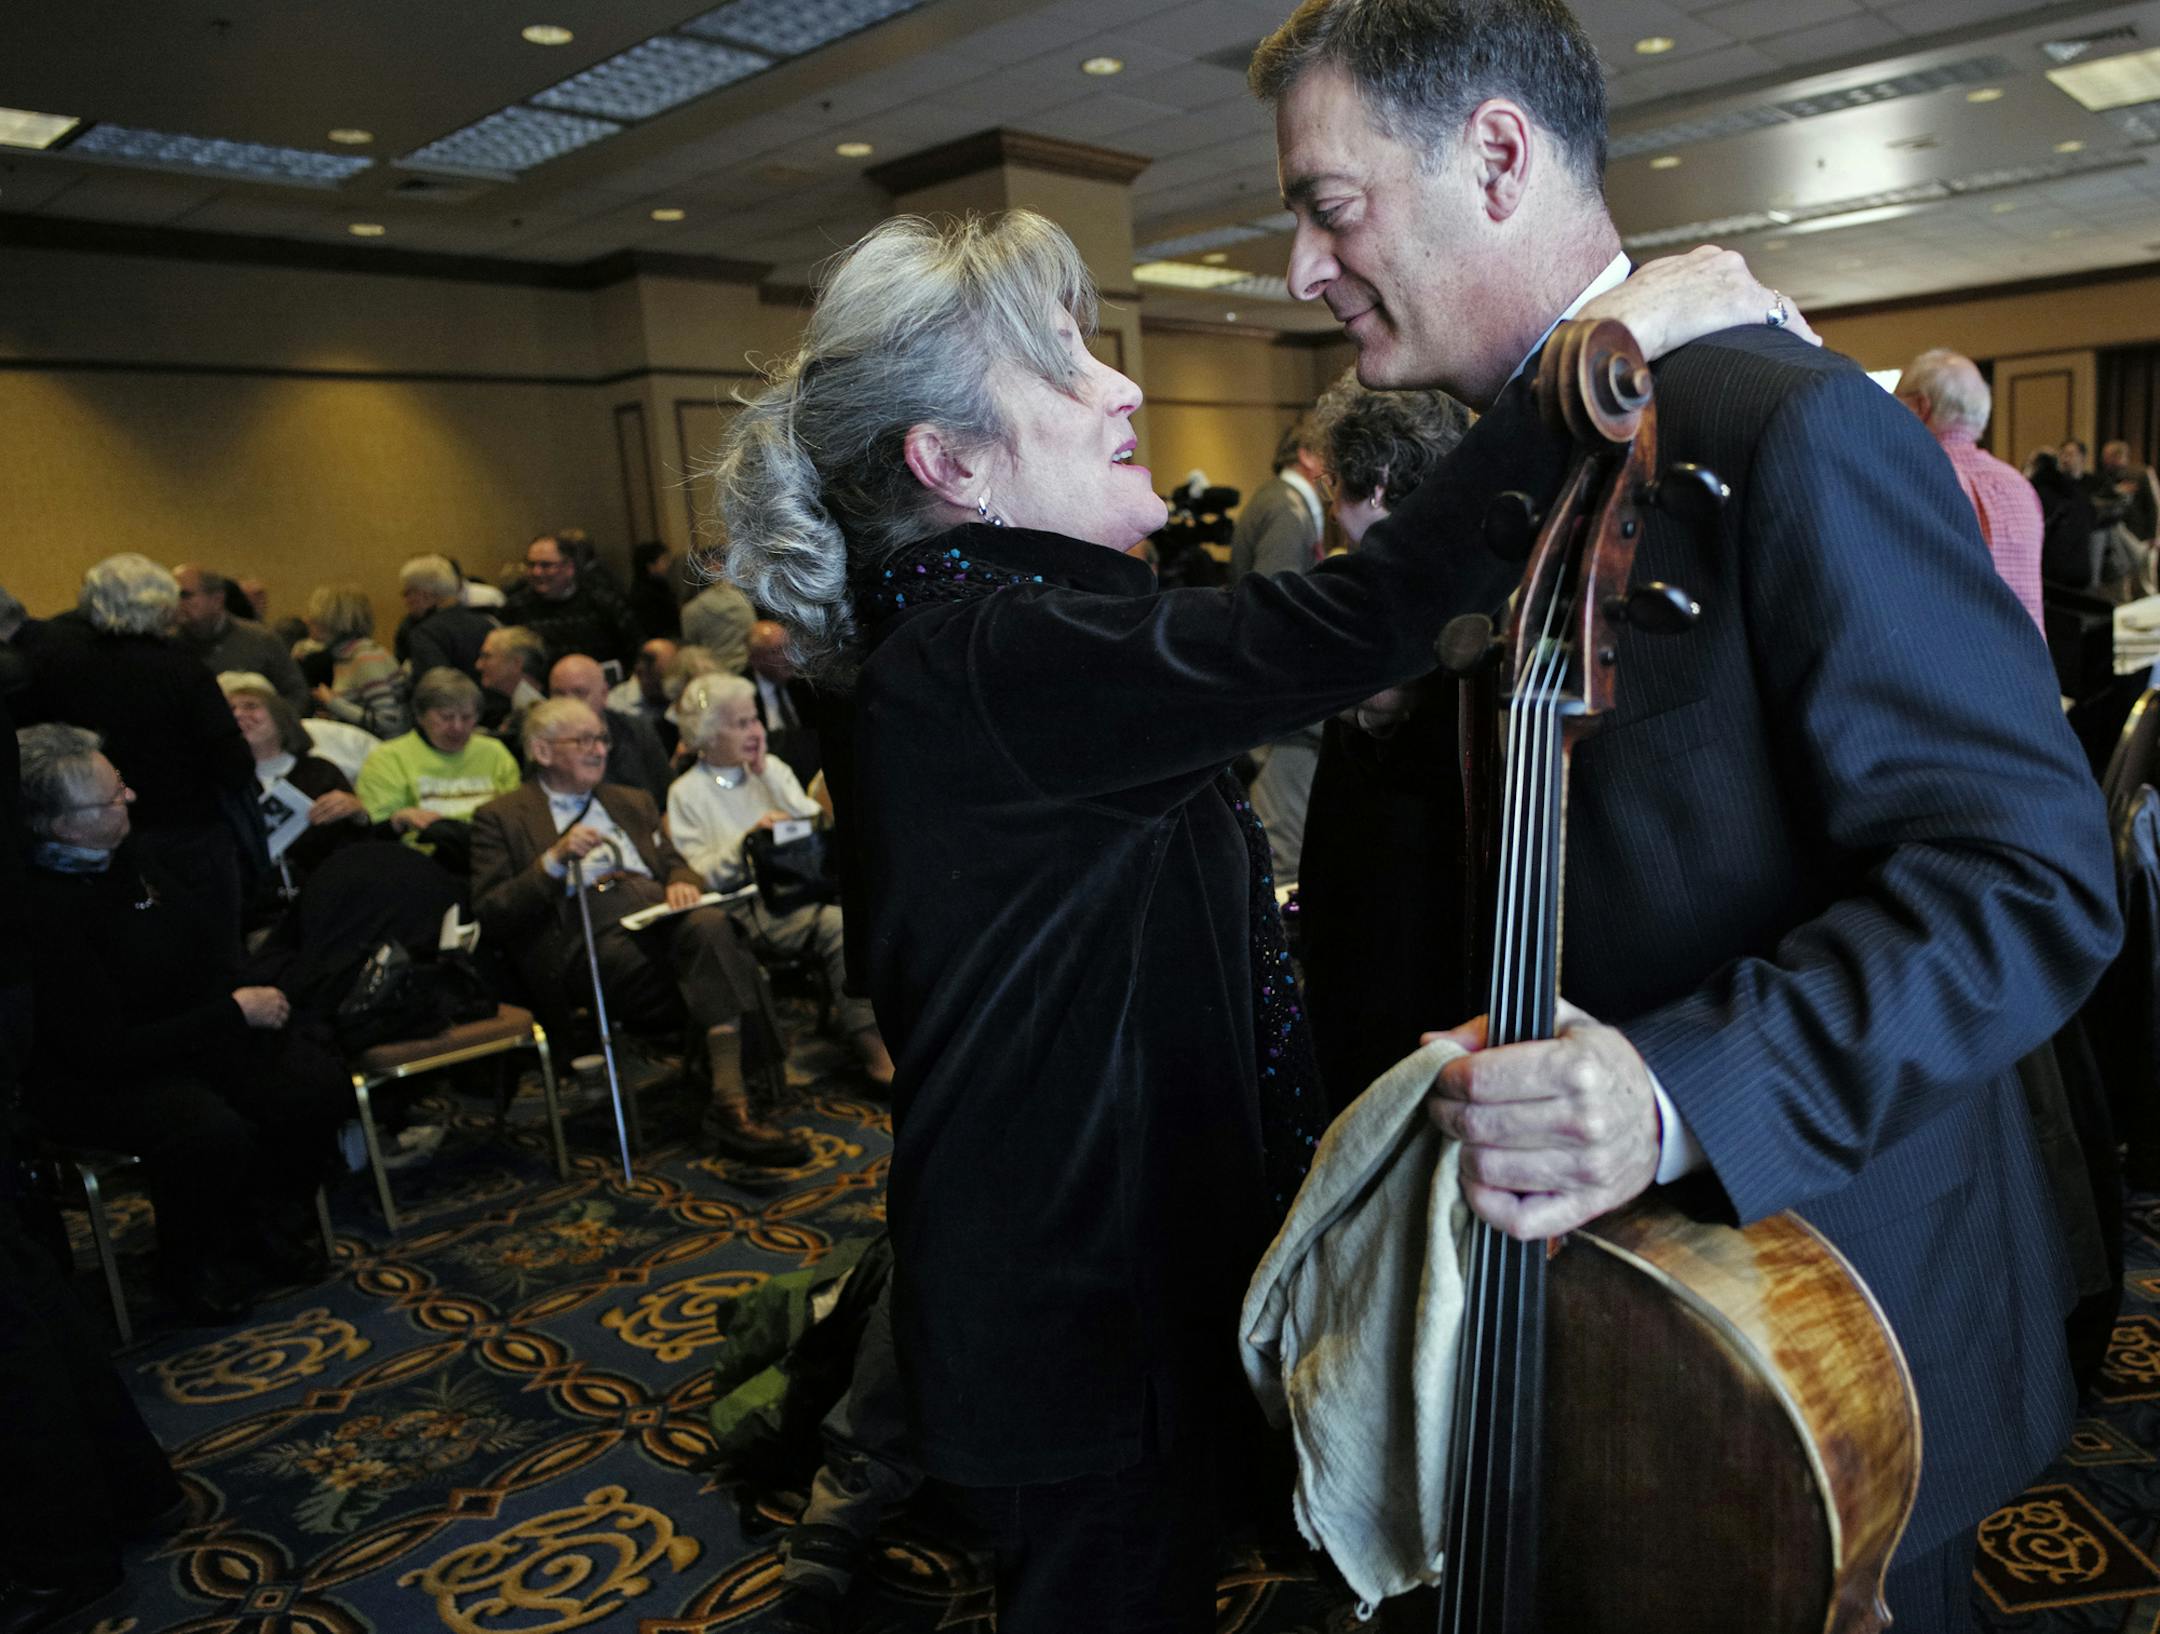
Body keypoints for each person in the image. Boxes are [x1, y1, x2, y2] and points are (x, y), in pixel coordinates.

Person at [708, 206, 1771, 1627]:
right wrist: (1610, 340)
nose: (1125, 387)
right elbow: (1358, 619)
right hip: (1076, 1316)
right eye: (1065, 364)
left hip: (1101, 1291)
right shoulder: (987, 649)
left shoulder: (984, 634)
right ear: (950, 463)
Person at [1254, 3, 2119, 1627]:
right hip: (1596, 1317)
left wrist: (1674, 1089)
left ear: (1496, 156)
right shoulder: (1511, 468)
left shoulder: (1783, 425)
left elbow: (2030, 871)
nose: (1300, 267)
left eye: (1329, 203)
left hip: (1816, 1338)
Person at [17, 723, 349, 1322]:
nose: (132, 798)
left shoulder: (128, 856)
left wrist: (236, 1004)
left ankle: (265, 1224)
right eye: (115, 795)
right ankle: (189, 1265)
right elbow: (101, 1049)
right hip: (96, 1076)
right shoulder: (41, 909)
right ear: (62, 825)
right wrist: (229, 1013)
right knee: (207, 1130)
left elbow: (197, 947)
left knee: (310, 1081)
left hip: (185, 1034)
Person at [469, 698, 805, 1165]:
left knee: (708, 925)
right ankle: (735, 1096)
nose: (599, 750)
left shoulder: (630, 800)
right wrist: (553, 861)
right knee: (727, 952)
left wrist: (683, 885)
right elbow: (492, 912)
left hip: (661, 917)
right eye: (584, 740)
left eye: (602, 738)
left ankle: (730, 1105)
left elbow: (677, 866)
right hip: (586, 937)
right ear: (542, 751)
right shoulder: (502, 816)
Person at [1292, 373, 1477, 1114]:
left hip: (1392, 916)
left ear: (1379, 482)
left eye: (1338, 487)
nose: (1335, 510)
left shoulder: (1376, 592)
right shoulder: (1479, 568)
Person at [14, 553, 257, 953]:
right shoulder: (183, 670)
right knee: (206, 950)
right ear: (162, 607)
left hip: (88, 838)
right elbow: (234, 765)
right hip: (186, 840)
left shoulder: (56, 665)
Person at [668, 672, 893, 1087]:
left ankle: (890, 1039)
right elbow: (699, 873)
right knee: (841, 927)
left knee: (861, 920)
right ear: (708, 733)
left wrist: (768, 779)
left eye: (755, 719)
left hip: (796, 892)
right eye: (741, 724)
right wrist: (749, 839)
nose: (756, 731)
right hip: (738, 905)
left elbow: (816, 823)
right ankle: (876, 1052)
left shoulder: (769, 768)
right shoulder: (686, 792)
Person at [1231, 415, 1331, 884]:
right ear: (1308, 456)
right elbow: (1276, 616)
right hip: (1279, 715)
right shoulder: (1288, 510)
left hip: (1273, 708)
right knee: (1282, 856)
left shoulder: (1281, 500)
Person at [1894, 350, 2045, 631]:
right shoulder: (2019, 484)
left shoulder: (1911, 479)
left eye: (1896, 402)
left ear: (1920, 406)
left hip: (1951, 666)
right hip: (2029, 668)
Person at [220, 670, 371, 915]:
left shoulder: (321, 772)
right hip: (251, 912)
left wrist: (358, 813)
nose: (238, 714)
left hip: (326, 904)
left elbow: (358, 847)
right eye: (230, 709)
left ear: (280, 715)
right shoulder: (222, 782)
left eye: (250, 705)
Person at [354, 666, 522, 856]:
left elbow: (515, 818)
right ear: (420, 716)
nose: (458, 727)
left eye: (467, 717)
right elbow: (374, 833)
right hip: (419, 862)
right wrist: (400, 818)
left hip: (487, 856)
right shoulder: (388, 758)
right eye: (446, 717)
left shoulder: (495, 753)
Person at [173, 563, 311, 714]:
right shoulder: (166, 643)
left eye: (185, 595)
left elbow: (297, 694)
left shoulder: (260, 640)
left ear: (217, 600)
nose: (176, 602)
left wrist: (274, 728)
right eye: (172, 595)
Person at [548, 652, 673, 806]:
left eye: (579, 693)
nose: (569, 704)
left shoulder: (638, 732)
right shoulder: (545, 742)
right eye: (559, 695)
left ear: (604, 694)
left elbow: (666, 797)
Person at [503, 533, 641, 668]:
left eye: (546, 565)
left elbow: (634, 648)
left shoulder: (603, 602)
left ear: (569, 568)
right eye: (531, 565)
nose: (536, 572)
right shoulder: (516, 607)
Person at [305, 584, 409, 738]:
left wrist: (334, 704)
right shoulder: (346, 656)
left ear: (333, 621)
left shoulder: (366, 658)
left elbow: (390, 721)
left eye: (314, 617)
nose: (306, 620)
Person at [397, 554, 499, 680]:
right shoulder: (487, 623)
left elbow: (435, 688)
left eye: (407, 593)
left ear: (424, 595)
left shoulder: (425, 634)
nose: (405, 601)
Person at [746, 619, 822, 784]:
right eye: (776, 651)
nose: (787, 657)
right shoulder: (743, 690)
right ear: (754, 659)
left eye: (788, 648)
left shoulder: (805, 682)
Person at [476, 624, 548, 741]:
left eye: (487, 656)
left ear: (516, 663)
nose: (478, 665)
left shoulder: (548, 711)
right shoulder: (494, 713)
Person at [681, 578, 756, 672]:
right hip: (747, 665)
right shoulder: (741, 597)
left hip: (715, 670)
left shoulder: (691, 610)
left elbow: (691, 644)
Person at [631, 541, 683, 641]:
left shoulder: (661, 586)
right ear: (650, 566)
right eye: (664, 560)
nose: (668, 564)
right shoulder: (643, 594)